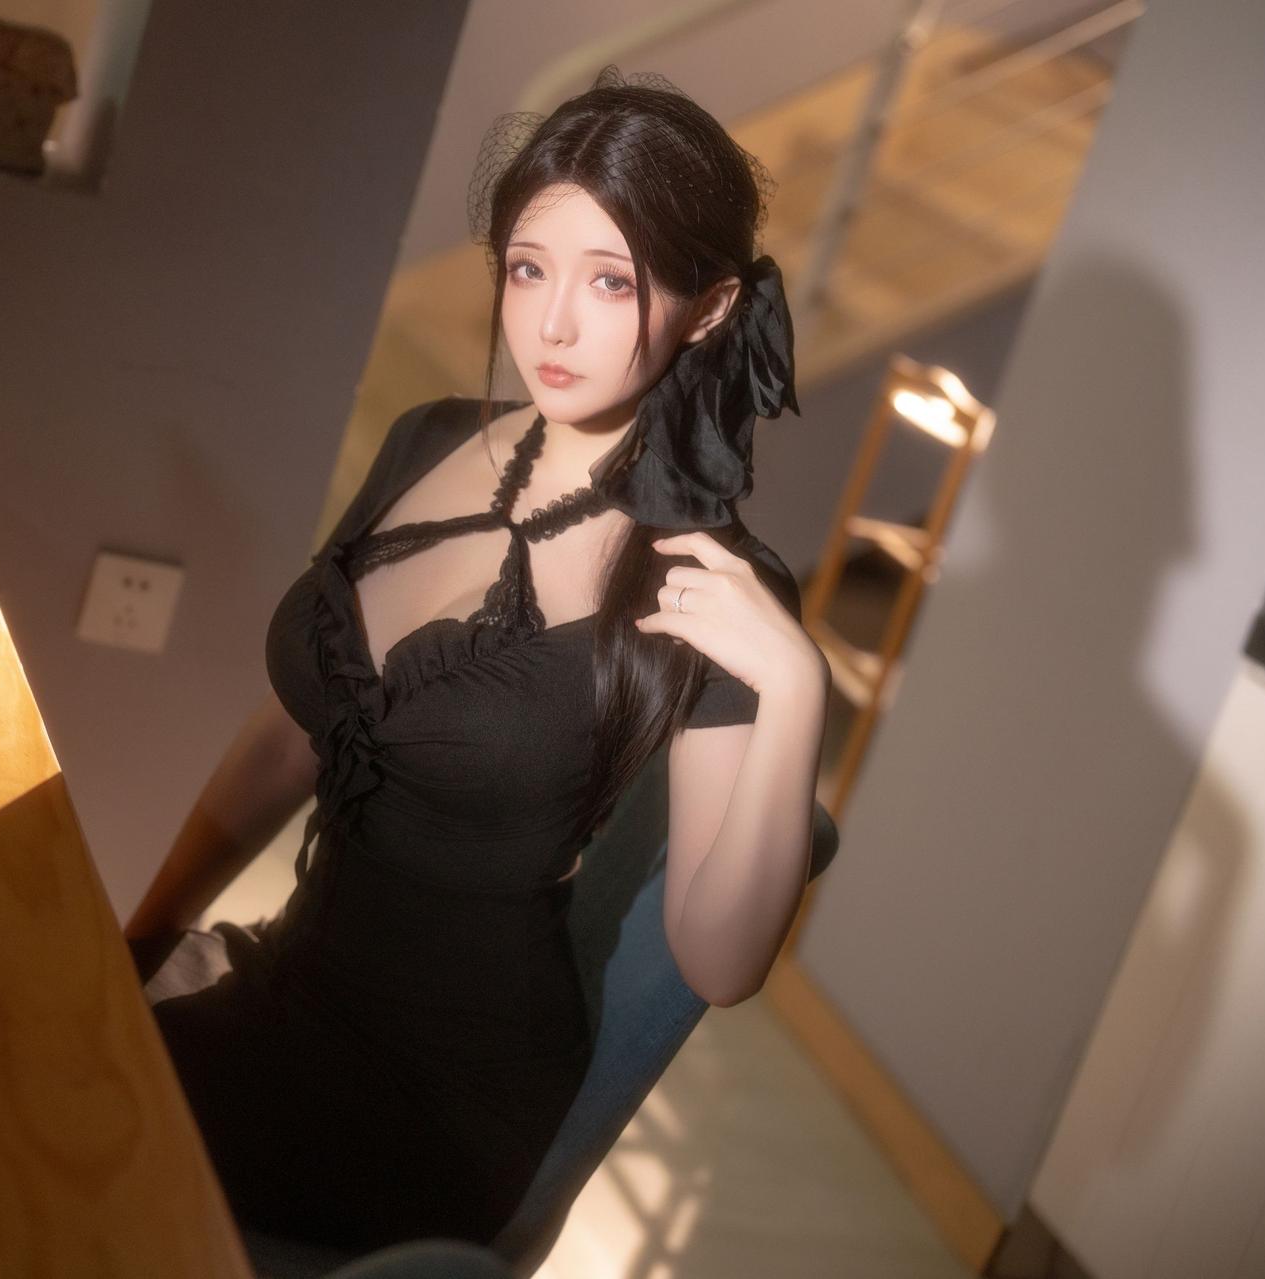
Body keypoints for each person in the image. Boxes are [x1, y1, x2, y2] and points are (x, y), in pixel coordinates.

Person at [122, 66, 832, 1253]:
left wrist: (798, 690)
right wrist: (144, 934)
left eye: (612, 282)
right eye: (528, 269)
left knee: (42, 1134)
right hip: (288, 976)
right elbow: (287, 738)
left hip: (429, 1101)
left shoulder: (703, 579)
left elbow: (720, 962)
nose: (550, 325)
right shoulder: (428, 439)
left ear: (709, 307)